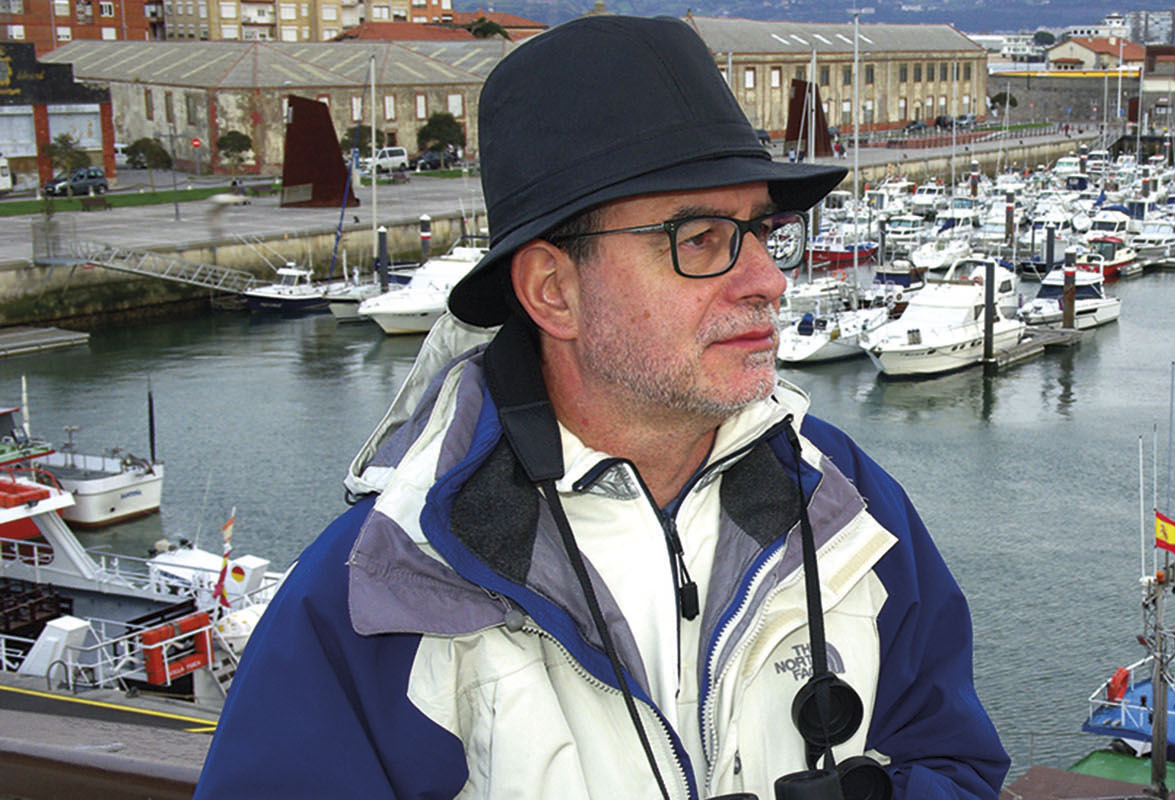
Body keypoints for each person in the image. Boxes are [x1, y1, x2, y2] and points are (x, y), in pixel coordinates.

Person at [196, 14, 1008, 800]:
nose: (768, 280)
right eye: (700, 238)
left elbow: (954, 761)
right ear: (555, 292)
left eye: (763, 230)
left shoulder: (846, 504)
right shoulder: (389, 585)